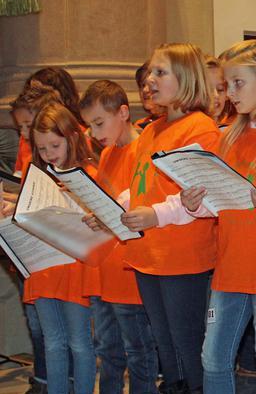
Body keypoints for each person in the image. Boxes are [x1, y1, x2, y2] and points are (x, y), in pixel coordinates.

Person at [178, 40, 256, 393]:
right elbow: (219, 200)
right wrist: (194, 202)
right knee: (213, 358)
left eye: (237, 84)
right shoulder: (227, 136)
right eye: (224, 86)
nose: (229, 94)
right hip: (230, 265)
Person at [120, 43, 220, 394]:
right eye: (150, 72)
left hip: (182, 256)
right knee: (166, 346)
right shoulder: (150, 129)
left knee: (187, 343)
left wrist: (154, 216)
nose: (149, 79)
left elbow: (200, 196)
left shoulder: (201, 127)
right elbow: (141, 186)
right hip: (149, 253)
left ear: (187, 78)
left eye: (160, 72)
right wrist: (111, 208)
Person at [79, 79, 159, 394]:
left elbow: (142, 206)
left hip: (131, 270)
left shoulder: (144, 149)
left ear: (123, 112)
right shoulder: (108, 153)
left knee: (139, 352)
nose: (95, 133)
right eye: (89, 126)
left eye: (99, 123)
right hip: (106, 269)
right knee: (108, 352)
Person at [25, 103, 99, 394]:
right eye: (42, 149)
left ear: (72, 138)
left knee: (80, 342)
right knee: (52, 341)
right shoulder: (38, 178)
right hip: (42, 266)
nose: (49, 154)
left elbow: (100, 219)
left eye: (55, 145)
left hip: (74, 268)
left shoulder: (88, 173)